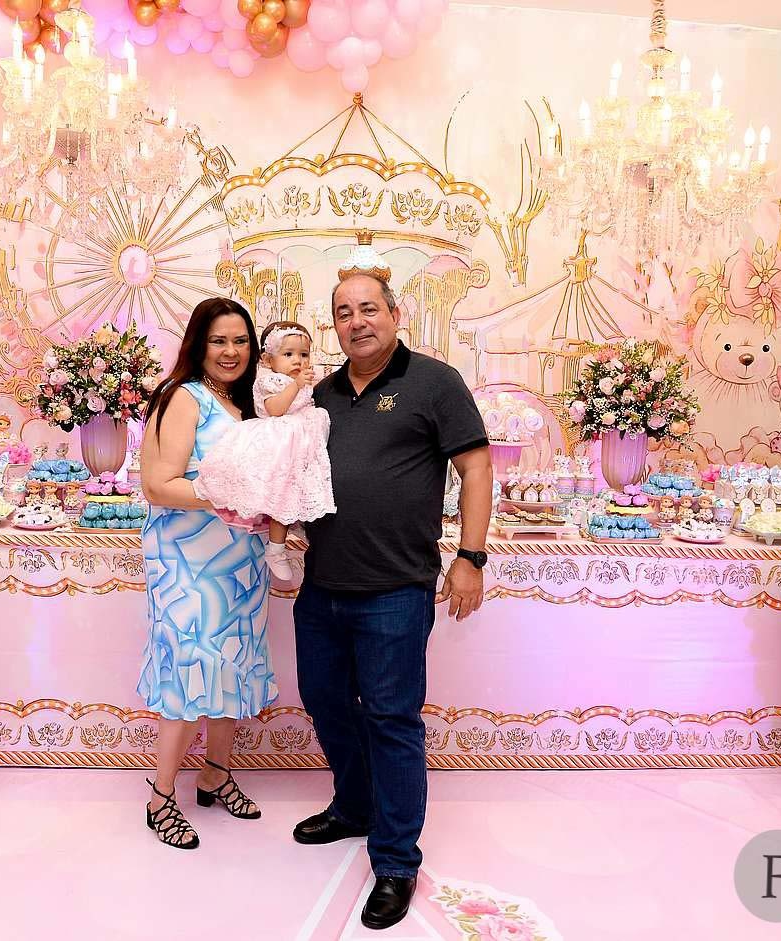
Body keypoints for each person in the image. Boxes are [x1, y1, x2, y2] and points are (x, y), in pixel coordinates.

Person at [292, 265, 492, 930]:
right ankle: (355, 806)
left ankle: (397, 860)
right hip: (322, 586)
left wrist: (470, 557)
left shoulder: (435, 382)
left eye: (368, 308)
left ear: (395, 314)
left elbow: (475, 466)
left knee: (391, 718)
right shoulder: (320, 394)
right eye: (343, 312)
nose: (357, 322)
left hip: (396, 590)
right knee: (325, 701)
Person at [137, 297, 278, 850]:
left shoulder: (247, 405)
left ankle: (215, 774)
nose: (231, 351)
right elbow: (159, 484)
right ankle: (161, 797)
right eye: (219, 340)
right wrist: (234, 494)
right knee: (188, 669)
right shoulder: (184, 396)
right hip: (188, 565)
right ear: (199, 344)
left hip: (241, 563)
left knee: (234, 665)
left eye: (241, 341)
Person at [193, 320, 337, 579]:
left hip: (298, 446)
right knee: (281, 495)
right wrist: (296, 385)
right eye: (288, 354)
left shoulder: (298, 382)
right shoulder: (270, 381)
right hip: (279, 446)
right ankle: (276, 549)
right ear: (268, 359)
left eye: (304, 354)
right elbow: (275, 409)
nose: (298, 361)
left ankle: (298, 524)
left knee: (302, 489)